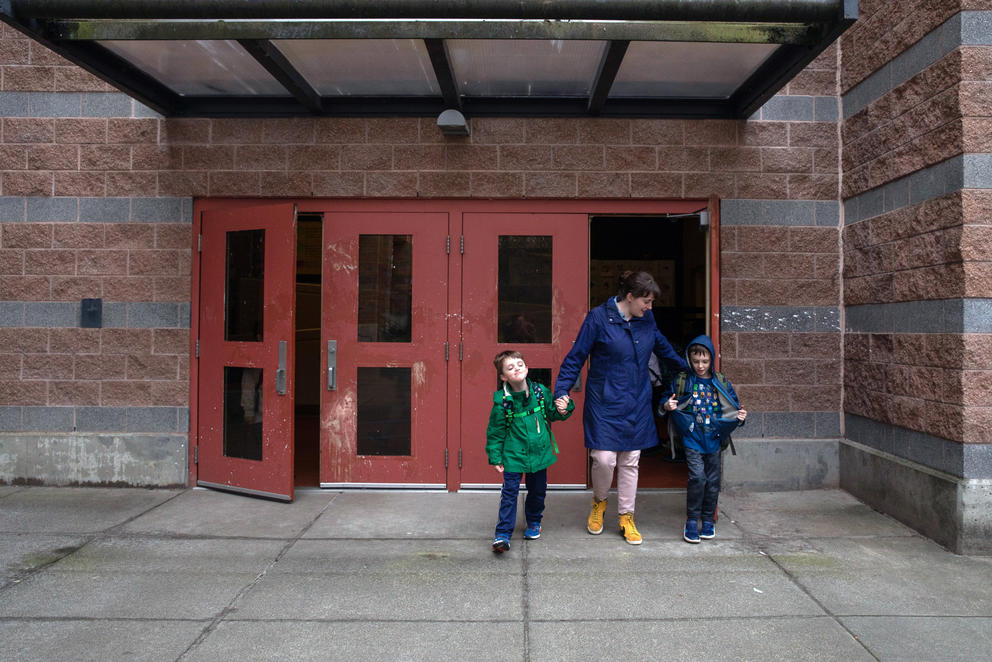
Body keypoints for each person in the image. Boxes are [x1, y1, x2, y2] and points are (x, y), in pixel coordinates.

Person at [554, 271, 688, 545]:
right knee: (604, 460)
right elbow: (575, 357)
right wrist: (561, 390)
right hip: (604, 401)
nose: (650, 308)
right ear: (630, 297)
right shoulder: (598, 318)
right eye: (646, 302)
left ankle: (626, 517)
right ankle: (599, 502)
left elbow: (663, 349)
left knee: (630, 461)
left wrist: (692, 370)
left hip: (636, 401)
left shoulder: (646, 319)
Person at [660, 334, 747, 543]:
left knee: (713, 481)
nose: (700, 366)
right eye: (696, 361)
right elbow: (666, 398)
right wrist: (666, 405)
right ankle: (691, 520)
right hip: (692, 438)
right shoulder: (682, 380)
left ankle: (708, 520)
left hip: (715, 438)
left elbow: (734, 408)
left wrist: (740, 418)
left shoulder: (721, 381)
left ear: (712, 359)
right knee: (697, 477)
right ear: (689, 359)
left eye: (705, 361)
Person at [486, 350, 574, 553]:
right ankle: (502, 535)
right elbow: (496, 432)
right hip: (513, 454)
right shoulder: (502, 402)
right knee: (509, 493)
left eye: (519, 364)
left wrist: (564, 409)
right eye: (510, 368)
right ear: (503, 376)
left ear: (526, 367)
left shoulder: (540, 392)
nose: (516, 368)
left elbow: (552, 413)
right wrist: (496, 456)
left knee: (537, 491)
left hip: (539, 453)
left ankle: (534, 522)